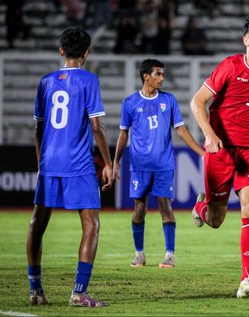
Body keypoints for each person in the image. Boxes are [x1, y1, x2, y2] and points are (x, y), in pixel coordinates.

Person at [190, 15, 249, 298]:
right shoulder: (230, 66)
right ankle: (202, 208)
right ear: (246, 40)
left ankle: (247, 280)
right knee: (216, 221)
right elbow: (197, 102)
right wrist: (209, 134)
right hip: (220, 150)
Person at [27, 28, 114, 307]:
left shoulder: (45, 82)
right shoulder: (89, 80)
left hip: (50, 162)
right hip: (78, 163)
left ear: (61, 50)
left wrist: (42, 162)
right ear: (86, 53)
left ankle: (35, 291)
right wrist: (109, 163)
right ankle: (78, 292)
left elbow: (38, 129)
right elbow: (97, 126)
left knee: (37, 224)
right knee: (91, 224)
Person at [113, 59, 205, 269]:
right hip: (139, 165)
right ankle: (139, 254)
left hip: (163, 165)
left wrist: (201, 152)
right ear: (146, 76)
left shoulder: (169, 101)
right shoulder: (130, 103)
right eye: (158, 74)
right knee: (139, 209)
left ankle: (169, 255)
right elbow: (123, 133)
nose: (162, 78)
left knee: (165, 206)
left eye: (162, 74)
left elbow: (181, 130)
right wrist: (115, 162)